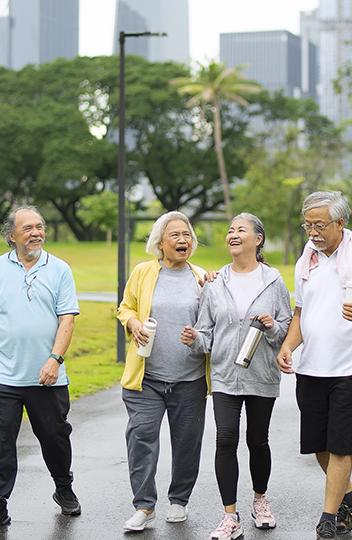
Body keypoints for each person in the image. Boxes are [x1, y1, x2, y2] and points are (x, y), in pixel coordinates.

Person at [276, 191, 352, 540]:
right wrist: (287, 345)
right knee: (319, 445)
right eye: (307, 225)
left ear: (340, 223)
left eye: (320, 225)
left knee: (341, 446)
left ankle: (329, 516)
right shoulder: (305, 261)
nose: (312, 231)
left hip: (350, 369)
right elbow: (301, 313)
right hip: (311, 369)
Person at [0, 206, 82, 530]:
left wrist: (54, 360)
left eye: (40, 227)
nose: (36, 233)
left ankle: (64, 487)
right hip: (2, 374)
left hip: (47, 376)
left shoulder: (60, 270)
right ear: (12, 236)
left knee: (56, 439)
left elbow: (67, 318)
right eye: (28, 228)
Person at [180, 213, 292, 540]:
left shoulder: (274, 281)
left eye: (241, 230)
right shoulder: (215, 284)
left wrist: (273, 327)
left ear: (258, 239)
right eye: (230, 230)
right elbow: (206, 333)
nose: (233, 234)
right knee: (225, 438)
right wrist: (194, 340)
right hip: (225, 376)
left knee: (257, 440)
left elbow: (286, 329)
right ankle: (231, 517)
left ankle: (260, 500)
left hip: (262, 375)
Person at [116, 211, 208, 532]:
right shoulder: (143, 272)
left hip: (190, 379)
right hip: (147, 379)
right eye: (175, 235)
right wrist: (134, 322)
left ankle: (179, 500)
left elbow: (211, 324)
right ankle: (144, 506)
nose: (182, 240)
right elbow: (125, 306)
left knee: (187, 442)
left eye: (186, 235)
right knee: (141, 438)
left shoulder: (201, 278)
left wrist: (197, 337)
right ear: (159, 243)